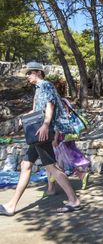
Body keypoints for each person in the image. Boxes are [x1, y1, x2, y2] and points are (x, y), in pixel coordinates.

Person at [0, 61, 81, 216]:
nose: (27, 76)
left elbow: (50, 106)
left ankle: (74, 200)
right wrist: (24, 118)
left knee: (52, 168)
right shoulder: (38, 89)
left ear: (38, 72)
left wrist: (45, 124)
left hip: (42, 132)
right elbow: (37, 110)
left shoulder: (46, 85)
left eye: (29, 73)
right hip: (38, 132)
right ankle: (11, 205)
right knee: (25, 165)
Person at [45, 84, 90, 196]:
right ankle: (52, 185)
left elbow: (58, 123)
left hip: (60, 138)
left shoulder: (56, 104)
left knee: (56, 161)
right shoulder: (65, 101)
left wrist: (55, 138)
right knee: (65, 160)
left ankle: (53, 185)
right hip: (68, 136)